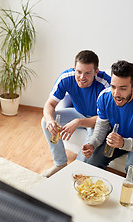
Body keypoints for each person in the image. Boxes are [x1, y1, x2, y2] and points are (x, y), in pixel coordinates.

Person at [81, 60, 133, 185]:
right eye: (113, 86)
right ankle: (96, 194)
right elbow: (102, 126)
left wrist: (124, 143)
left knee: (132, 166)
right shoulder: (104, 97)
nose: (116, 94)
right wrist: (92, 144)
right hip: (116, 138)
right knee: (92, 161)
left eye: (123, 89)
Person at [41, 50, 111, 178]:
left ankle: (75, 174)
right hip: (78, 113)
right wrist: (51, 121)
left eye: (87, 73)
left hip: (97, 122)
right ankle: (60, 164)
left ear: (96, 72)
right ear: (74, 69)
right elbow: (49, 105)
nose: (82, 77)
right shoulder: (66, 77)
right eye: (79, 72)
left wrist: (78, 121)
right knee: (45, 121)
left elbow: (104, 120)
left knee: (80, 167)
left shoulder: (106, 85)